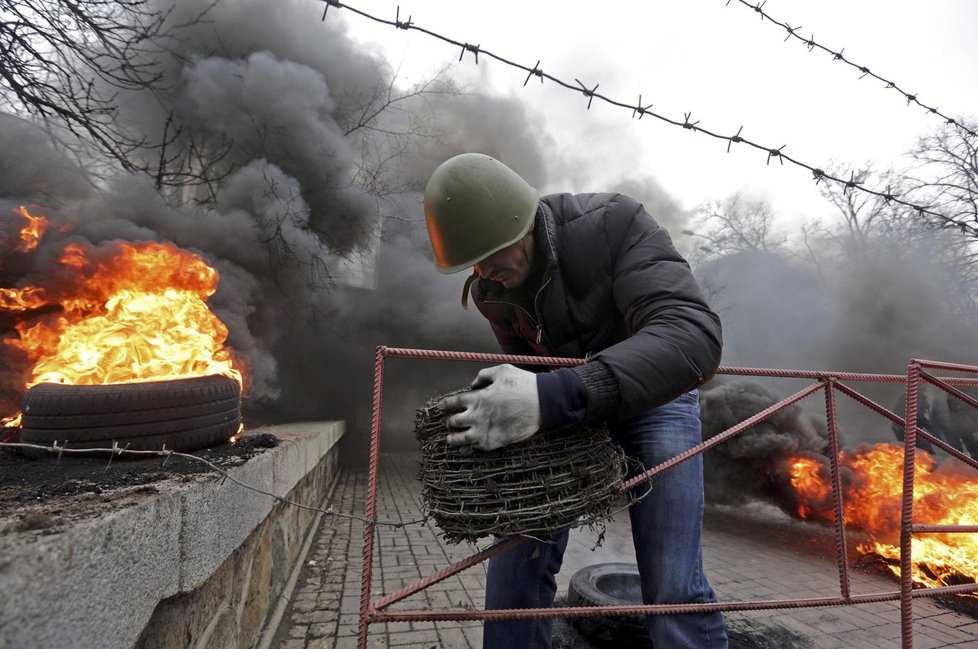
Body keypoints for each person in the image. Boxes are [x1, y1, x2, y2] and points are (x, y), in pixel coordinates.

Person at [422, 152, 729, 649]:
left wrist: (551, 396)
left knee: (673, 580)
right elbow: (527, 372)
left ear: (522, 224)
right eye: (471, 262)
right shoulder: (489, 291)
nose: (483, 272)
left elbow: (692, 337)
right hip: (565, 407)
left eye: (491, 253)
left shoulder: (614, 223)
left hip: (655, 401)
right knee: (514, 565)